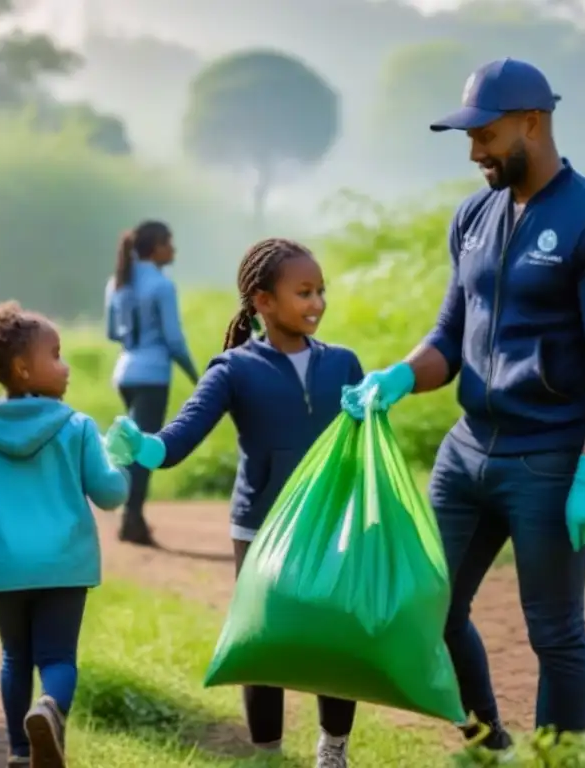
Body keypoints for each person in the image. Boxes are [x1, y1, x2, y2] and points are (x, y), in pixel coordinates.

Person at [342, 58, 585, 757]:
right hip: (467, 453)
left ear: (532, 123)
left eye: (485, 133)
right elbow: (450, 338)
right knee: (429, 609)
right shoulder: (473, 217)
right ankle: (486, 741)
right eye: (467, 135)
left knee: (555, 632)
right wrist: (395, 377)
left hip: (548, 460)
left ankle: (555, 760)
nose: (473, 149)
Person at [103, 238, 363, 768]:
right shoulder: (233, 370)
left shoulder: (344, 365)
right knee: (263, 645)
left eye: (320, 291)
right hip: (261, 528)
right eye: (303, 292)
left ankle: (333, 751)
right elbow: (178, 438)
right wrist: (144, 447)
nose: (316, 303)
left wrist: (376, 410)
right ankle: (267, 756)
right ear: (263, 301)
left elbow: (366, 449)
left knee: (337, 642)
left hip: (330, 522)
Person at [0, 301, 130, 768]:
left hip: (5, 569)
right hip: (65, 565)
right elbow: (109, 493)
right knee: (58, 658)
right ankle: (50, 709)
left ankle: (20, 752)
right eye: (56, 354)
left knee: (14, 658)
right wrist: (119, 457)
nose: (65, 366)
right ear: (24, 369)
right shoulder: (77, 427)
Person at [105, 220, 199, 546]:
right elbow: (174, 340)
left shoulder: (118, 282)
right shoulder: (162, 285)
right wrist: (197, 376)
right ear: (155, 246)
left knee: (131, 444)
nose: (173, 249)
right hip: (153, 375)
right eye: (169, 242)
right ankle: (132, 519)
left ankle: (131, 515)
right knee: (143, 449)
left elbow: (112, 333)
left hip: (125, 372)